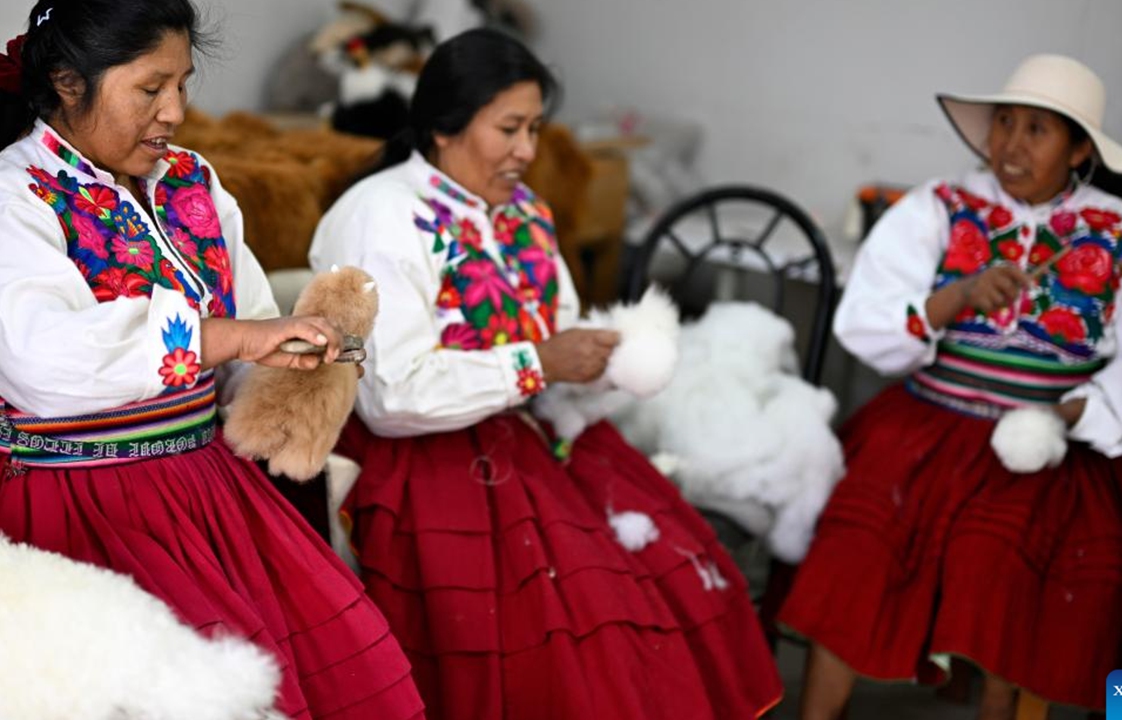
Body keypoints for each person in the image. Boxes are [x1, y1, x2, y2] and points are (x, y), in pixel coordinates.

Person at [309, 28, 783, 720]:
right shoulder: (380, 215)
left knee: (671, 577)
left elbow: (554, 335)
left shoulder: (526, 214)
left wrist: (600, 361)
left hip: (531, 434)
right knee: (563, 630)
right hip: (424, 460)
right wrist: (538, 362)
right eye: (509, 128)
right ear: (444, 126)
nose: (528, 151)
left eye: (534, 128)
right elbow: (390, 396)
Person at [0, 2, 426, 718]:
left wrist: (297, 355)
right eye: (150, 88)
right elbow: (43, 362)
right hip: (85, 503)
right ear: (70, 84)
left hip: (209, 490)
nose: (175, 112)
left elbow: (249, 322)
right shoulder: (16, 193)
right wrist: (227, 338)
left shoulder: (192, 184)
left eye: (183, 85)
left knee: (325, 677)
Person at [776, 54, 1122, 718]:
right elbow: (863, 323)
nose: (1010, 144)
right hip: (926, 424)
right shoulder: (940, 205)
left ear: (1079, 150)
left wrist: (1052, 422)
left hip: (1049, 444)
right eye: (1003, 124)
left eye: (1037, 130)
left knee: (1004, 567)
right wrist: (953, 298)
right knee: (855, 545)